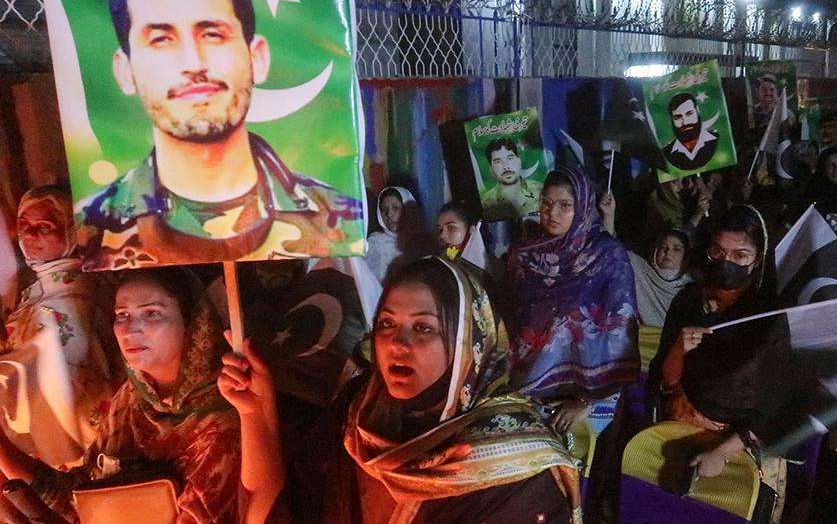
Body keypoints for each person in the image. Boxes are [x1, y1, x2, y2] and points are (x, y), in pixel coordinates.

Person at [220, 257, 582, 523]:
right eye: (387, 323)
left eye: (423, 328)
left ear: (467, 342)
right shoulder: (360, 415)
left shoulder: (517, 471)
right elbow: (288, 508)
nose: (397, 343)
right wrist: (256, 412)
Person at [76, 0, 363, 271]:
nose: (193, 63)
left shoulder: (339, 221)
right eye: (161, 39)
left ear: (257, 58)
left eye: (212, 34)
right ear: (124, 71)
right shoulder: (94, 229)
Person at [0, 266, 241, 523]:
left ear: (193, 323)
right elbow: (81, 495)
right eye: (122, 315)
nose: (129, 330)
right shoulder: (132, 399)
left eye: (151, 313)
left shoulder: (222, 422)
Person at [647, 204, 792, 517]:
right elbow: (668, 383)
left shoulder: (771, 319)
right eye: (718, 252)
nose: (727, 262)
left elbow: (776, 406)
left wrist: (722, 452)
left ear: (759, 260)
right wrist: (678, 350)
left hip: (743, 449)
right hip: (677, 435)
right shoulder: (688, 301)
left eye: (740, 255)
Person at [509, 169, 639, 435]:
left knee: (574, 466)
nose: (552, 212)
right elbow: (511, 317)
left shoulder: (607, 256)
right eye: (546, 203)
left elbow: (621, 331)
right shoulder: (524, 254)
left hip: (594, 395)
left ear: (583, 207)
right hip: (528, 388)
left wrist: (585, 401)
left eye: (564, 206)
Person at [3, 186, 120, 467]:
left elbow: (62, 385)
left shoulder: (75, 296)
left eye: (44, 226)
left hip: (73, 452)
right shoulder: (39, 288)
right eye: (24, 225)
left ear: (71, 230)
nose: (30, 235)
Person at [628, 230, 695, 327]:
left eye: (676, 249)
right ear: (655, 250)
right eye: (663, 247)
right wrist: (609, 217)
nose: (668, 252)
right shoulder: (639, 268)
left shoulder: (693, 287)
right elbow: (611, 250)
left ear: (685, 255)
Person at [365, 186, 430, 283]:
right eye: (384, 209)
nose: (389, 214)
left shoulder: (423, 244)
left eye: (395, 208)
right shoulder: (374, 242)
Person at [479, 138, 544, 220]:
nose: (506, 166)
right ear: (491, 169)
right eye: (498, 161)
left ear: (519, 162)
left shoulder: (540, 190)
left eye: (510, 159)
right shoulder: (486, 202)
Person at [661, 93, 719, 171]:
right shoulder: (666, 152)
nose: (685, 122)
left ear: (697, 111)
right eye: (678, 117)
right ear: (672, 120)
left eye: (689, 114)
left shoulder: (718, 140)